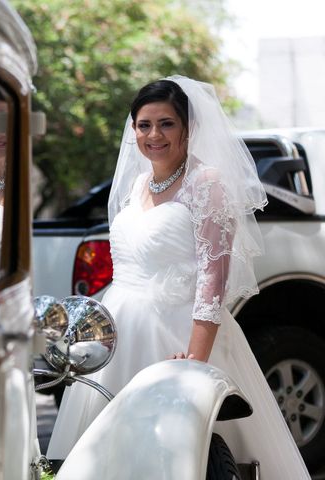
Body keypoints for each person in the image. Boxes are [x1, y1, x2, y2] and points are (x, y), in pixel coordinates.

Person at [46, 75, 310, 479]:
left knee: (181, 452)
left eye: (167, 123)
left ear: (187, 129)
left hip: (180, 338)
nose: (154, 134)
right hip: (120, 335)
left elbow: (213, 278)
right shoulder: (137, 185)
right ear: (133, 130)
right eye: (144, 124)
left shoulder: (207, 185)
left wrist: (195, 362)